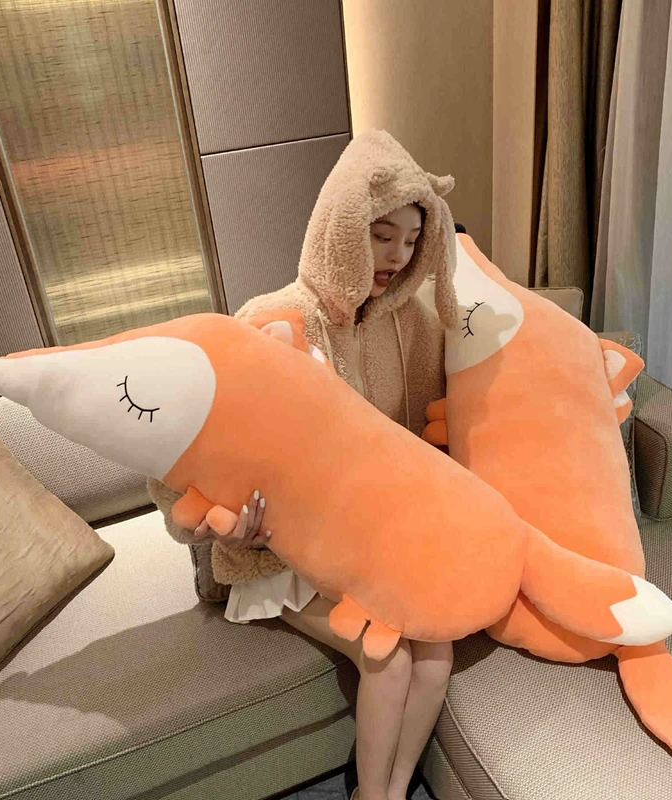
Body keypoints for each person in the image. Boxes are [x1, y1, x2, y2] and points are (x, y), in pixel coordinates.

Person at [147, 128, 460, 800]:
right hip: (283, 555)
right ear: (341, 227)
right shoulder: (272, 321)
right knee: (387, 655)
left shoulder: (412, 324)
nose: (398, 256)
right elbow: (180, 457)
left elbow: (426, 438)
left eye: (413, 240)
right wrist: (225, 528)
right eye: (382, 235)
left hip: (369, 544)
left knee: (436, 653)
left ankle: (385, 793)